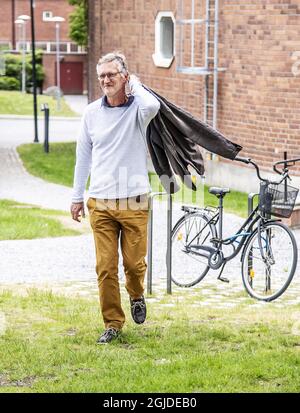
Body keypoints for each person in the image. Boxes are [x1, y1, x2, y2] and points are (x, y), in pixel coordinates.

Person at [70, 51, 160, 344]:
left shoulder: (138, 110)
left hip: (134, 199)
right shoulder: (91, 113)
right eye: (102, 76)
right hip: (101, 201)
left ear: (123, 77)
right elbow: (83, 155)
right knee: (105, 267)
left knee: (134, 265)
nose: (106, 80)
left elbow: (153, 104)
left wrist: (134, 83)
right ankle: (112, 323)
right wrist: (77, 196)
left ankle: (136, 295)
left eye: (112, 74)